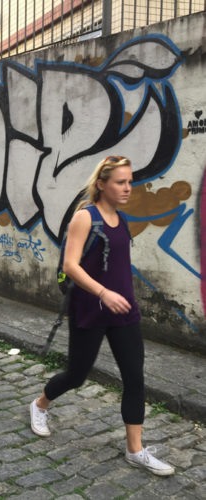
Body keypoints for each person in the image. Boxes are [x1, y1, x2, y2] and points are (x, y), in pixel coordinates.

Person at [30, 156, 175, 476]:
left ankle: (135, 450)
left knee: (135, 377)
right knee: (77, 376)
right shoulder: (85, 217)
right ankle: (40, 404)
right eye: (120, 182)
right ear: (102, 184)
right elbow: (70, 265)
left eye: (129, 181)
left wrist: (121, 295)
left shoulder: (121, 218)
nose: (128, 187)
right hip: (90, 310)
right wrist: (103, 293)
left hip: (124, 311)